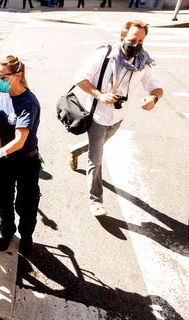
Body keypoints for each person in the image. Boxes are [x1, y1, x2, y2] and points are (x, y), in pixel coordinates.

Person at [67, 20, 163, 216]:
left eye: (141, 40)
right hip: (97, 116)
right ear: (122, 38)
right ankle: (96, 200)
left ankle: (74, 150)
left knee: (100, 145)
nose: (137, 45)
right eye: (133, 40)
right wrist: (99, 95)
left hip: (118, 117)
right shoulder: (104, 55)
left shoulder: (143, 62)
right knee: (96, 157)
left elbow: (156, 87)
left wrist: (153, 97)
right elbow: (79, 78)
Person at [0, 55, 41, 251]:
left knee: (26, 204)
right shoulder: (6, 92)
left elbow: (19, 141)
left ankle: (26, 236)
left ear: (18, 75)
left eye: (3, 77)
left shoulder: (28, 103)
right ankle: (7, 231)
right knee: (2, 198)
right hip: (5, 160)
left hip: (25, 160)